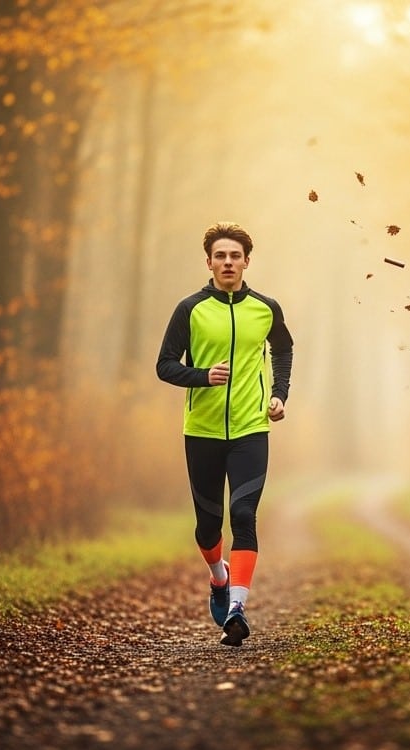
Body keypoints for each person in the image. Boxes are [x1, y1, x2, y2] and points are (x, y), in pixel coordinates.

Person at [156, 221, 293, 647]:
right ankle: (219, 578)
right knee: (208, 526)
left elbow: (283, 348)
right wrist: (202, 376)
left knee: (245, 515)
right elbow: (164, 365)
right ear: (210, 262)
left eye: (235, 256)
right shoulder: (190, 309)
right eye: (221, 256)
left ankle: (236, 608)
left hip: (252, 429)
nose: (228, 262)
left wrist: (278, 394)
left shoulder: (266, 308)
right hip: (202, 431)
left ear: (247, 261)